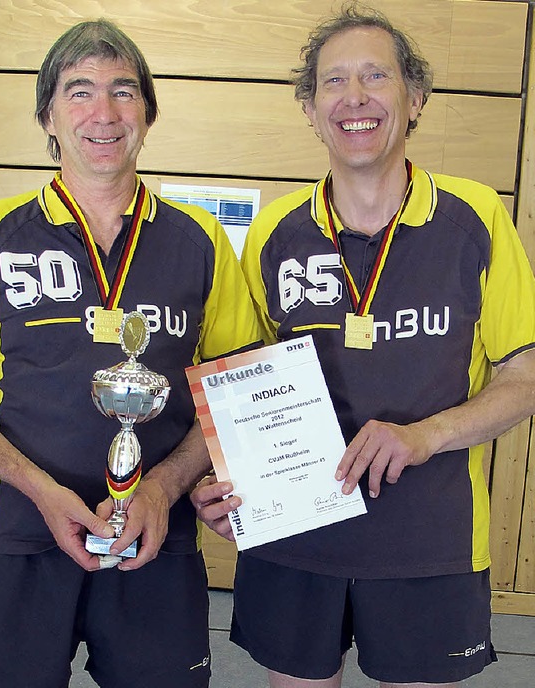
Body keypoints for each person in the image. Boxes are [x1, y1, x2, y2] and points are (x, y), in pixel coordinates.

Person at [191, 4, 535, 688]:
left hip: (428, 542)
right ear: (312, 109)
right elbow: (232, 392)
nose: (355, 98)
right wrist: (224, 488)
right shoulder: (273, 234)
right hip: (294, 541)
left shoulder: (477, 218)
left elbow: (525, 377)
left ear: (414, 97)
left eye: (376, 76)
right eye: (333, 82)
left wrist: (426, 436)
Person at [0, 18, 260, 688]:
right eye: (79, 91)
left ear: (149, 114)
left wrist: (161, 489)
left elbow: (235, 390)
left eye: (123, 91)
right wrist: (44, 493)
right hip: (19, 530)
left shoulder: (201, 241)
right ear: (48, 113)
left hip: (158, 535)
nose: (103, 113)